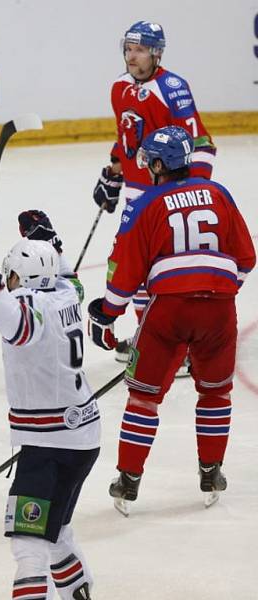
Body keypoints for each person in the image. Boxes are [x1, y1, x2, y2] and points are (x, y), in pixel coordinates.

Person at [87, 126, 255, 515]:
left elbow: (125, 270)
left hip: (167, 310)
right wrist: (215, 292)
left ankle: (128, 479)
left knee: (144, 398)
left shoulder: (145, 202)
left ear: (160, 164)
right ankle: (211, 472)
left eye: (149, 160)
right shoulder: (219, 193)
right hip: (219, 308)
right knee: (215, 393)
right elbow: (246, 260)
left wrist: (107, 313)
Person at [0, 212, 98, 600]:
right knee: (57, 532)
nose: (9, 280)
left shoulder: (29, 308)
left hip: (50, 444)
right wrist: (51, 242)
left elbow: (17, 326)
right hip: (83, 437)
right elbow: (68, 276)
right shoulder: (67, 294)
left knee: (28, 543)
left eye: (11, 274)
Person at [92, 21, 217, 364]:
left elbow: (201, 143)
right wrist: (114, 172)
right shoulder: (119, 87)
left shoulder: (173, 87)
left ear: (156, 53)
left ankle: (182, 345)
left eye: (140, 50)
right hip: (138, 193)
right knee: (135, 267)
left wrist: (192, 190)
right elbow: (127, 136)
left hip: (169, 194)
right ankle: (152, 335)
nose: (132, 56)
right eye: (129, 48)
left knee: (170, 267)